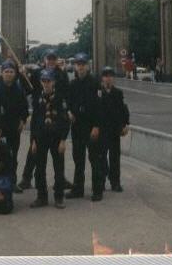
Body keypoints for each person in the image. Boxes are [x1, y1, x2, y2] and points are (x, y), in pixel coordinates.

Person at [18, 49, 71, 191]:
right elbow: (28, 89)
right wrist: (22, 75)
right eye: (49, 59)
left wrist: (67, 109)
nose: (51, 61)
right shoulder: (37, 73)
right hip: (40, 112)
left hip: (56, 113)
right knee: (34, 147)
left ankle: (60, 179)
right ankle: (26, 178)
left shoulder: (61, 74)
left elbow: (67, 91)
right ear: (44, 60)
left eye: (54, 59)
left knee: (58, 152)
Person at [66, 52, 104, 202]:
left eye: (83, 64)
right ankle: (78, 189)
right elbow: (68, 103)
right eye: (78, 64)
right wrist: (69, 112)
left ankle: (97, 190)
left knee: (94, 159)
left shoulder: (95, 83)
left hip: (91, 126)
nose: (80, 67)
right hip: (77, 126)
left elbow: (100, 107)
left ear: (88, 66)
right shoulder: (72, 84)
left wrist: (97, 126)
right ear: (75, 66)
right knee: (78, 159)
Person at [29, 68, 70, 209]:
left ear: (53, 82)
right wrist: (33, 140)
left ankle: (59, 197)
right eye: (44, 81)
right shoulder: (37, 99)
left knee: (59, 169)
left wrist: (63, 140)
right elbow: (34, 121)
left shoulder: (59, 98)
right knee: (39, 169)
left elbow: (65, 121)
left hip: (56, 138)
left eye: (49, 81)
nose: (46, 83)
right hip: (41, 138)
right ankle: (42, 196)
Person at [0, 60, 29, 192]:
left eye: (11, 72)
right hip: (0, 129)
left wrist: (23, 120)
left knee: (13, 156)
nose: (8, 74)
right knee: (0, 157)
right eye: (6, 71)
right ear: (2, 73)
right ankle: (1, 184)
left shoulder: (19, 89)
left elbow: (24, 107)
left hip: (14, 128)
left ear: (15, 74)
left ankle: (12, 183)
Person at [99, 67, 129, 192]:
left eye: (111, 76)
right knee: (101, 157)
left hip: (114, 130)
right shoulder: (98, 92)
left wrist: (125, 124)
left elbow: (123, 110)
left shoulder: (118, 93)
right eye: (106, 76)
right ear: (102, 78)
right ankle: (101, 181)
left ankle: (115, 182)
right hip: (101, 130)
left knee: (115, 157)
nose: (108, 78)